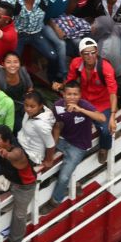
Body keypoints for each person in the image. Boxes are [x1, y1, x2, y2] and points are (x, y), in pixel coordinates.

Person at [41, 81, 106, 212]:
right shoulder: (57, 106)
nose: (72, 97)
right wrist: (52, 148)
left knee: (64, 176)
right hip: (63, 140)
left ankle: (55, 201)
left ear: (80, 95)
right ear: (63, 94)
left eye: (75, 94)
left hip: (79, 145)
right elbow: (57, 126)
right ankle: (74, 183)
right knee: (41, 146)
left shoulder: (84, 105)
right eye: (69, 94)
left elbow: (102, 118)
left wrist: (81, 110)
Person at [62, 38, 117, 164]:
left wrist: (113, 116)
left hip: (103, 104)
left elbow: (113, 92)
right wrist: (63, 90)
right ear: (81, 54)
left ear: (97, 51)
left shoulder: (105, 68)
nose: (90, 56)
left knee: (106, 129)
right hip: (84, 101)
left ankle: (104, 148)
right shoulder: (76, 64)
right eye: (86, 53)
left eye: (93, 52)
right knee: (67, 120)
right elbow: (70, 82)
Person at [0, 125, 37, 242]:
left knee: (19, 215)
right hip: (10, 180)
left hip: (24, 188)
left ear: (7, 141)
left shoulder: (17, 152)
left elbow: (13, 156)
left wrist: (6, 154)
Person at [5, 0, 63, 83]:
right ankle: (15, 83)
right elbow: (3, 9)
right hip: (19, 35)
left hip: (36, 33)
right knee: (12, 61)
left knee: (53, 57)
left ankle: (52, 80)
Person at [17, 91, 56, 167]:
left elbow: (50, 145)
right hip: (22, 144)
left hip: (32, 155)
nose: (28, 109)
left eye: (32, 106)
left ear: (40, 106)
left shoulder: (41, 125)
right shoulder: (32, 113)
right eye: (26, 105)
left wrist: (48, 161)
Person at [0, 51, 33, 128]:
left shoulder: (23, 71)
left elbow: (30, 88)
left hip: (24, 103)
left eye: (15, 62)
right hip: (9, 109)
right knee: (21, 127)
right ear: (3, 65)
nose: (12, 65)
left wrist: (28, 103)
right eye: (8, 62)